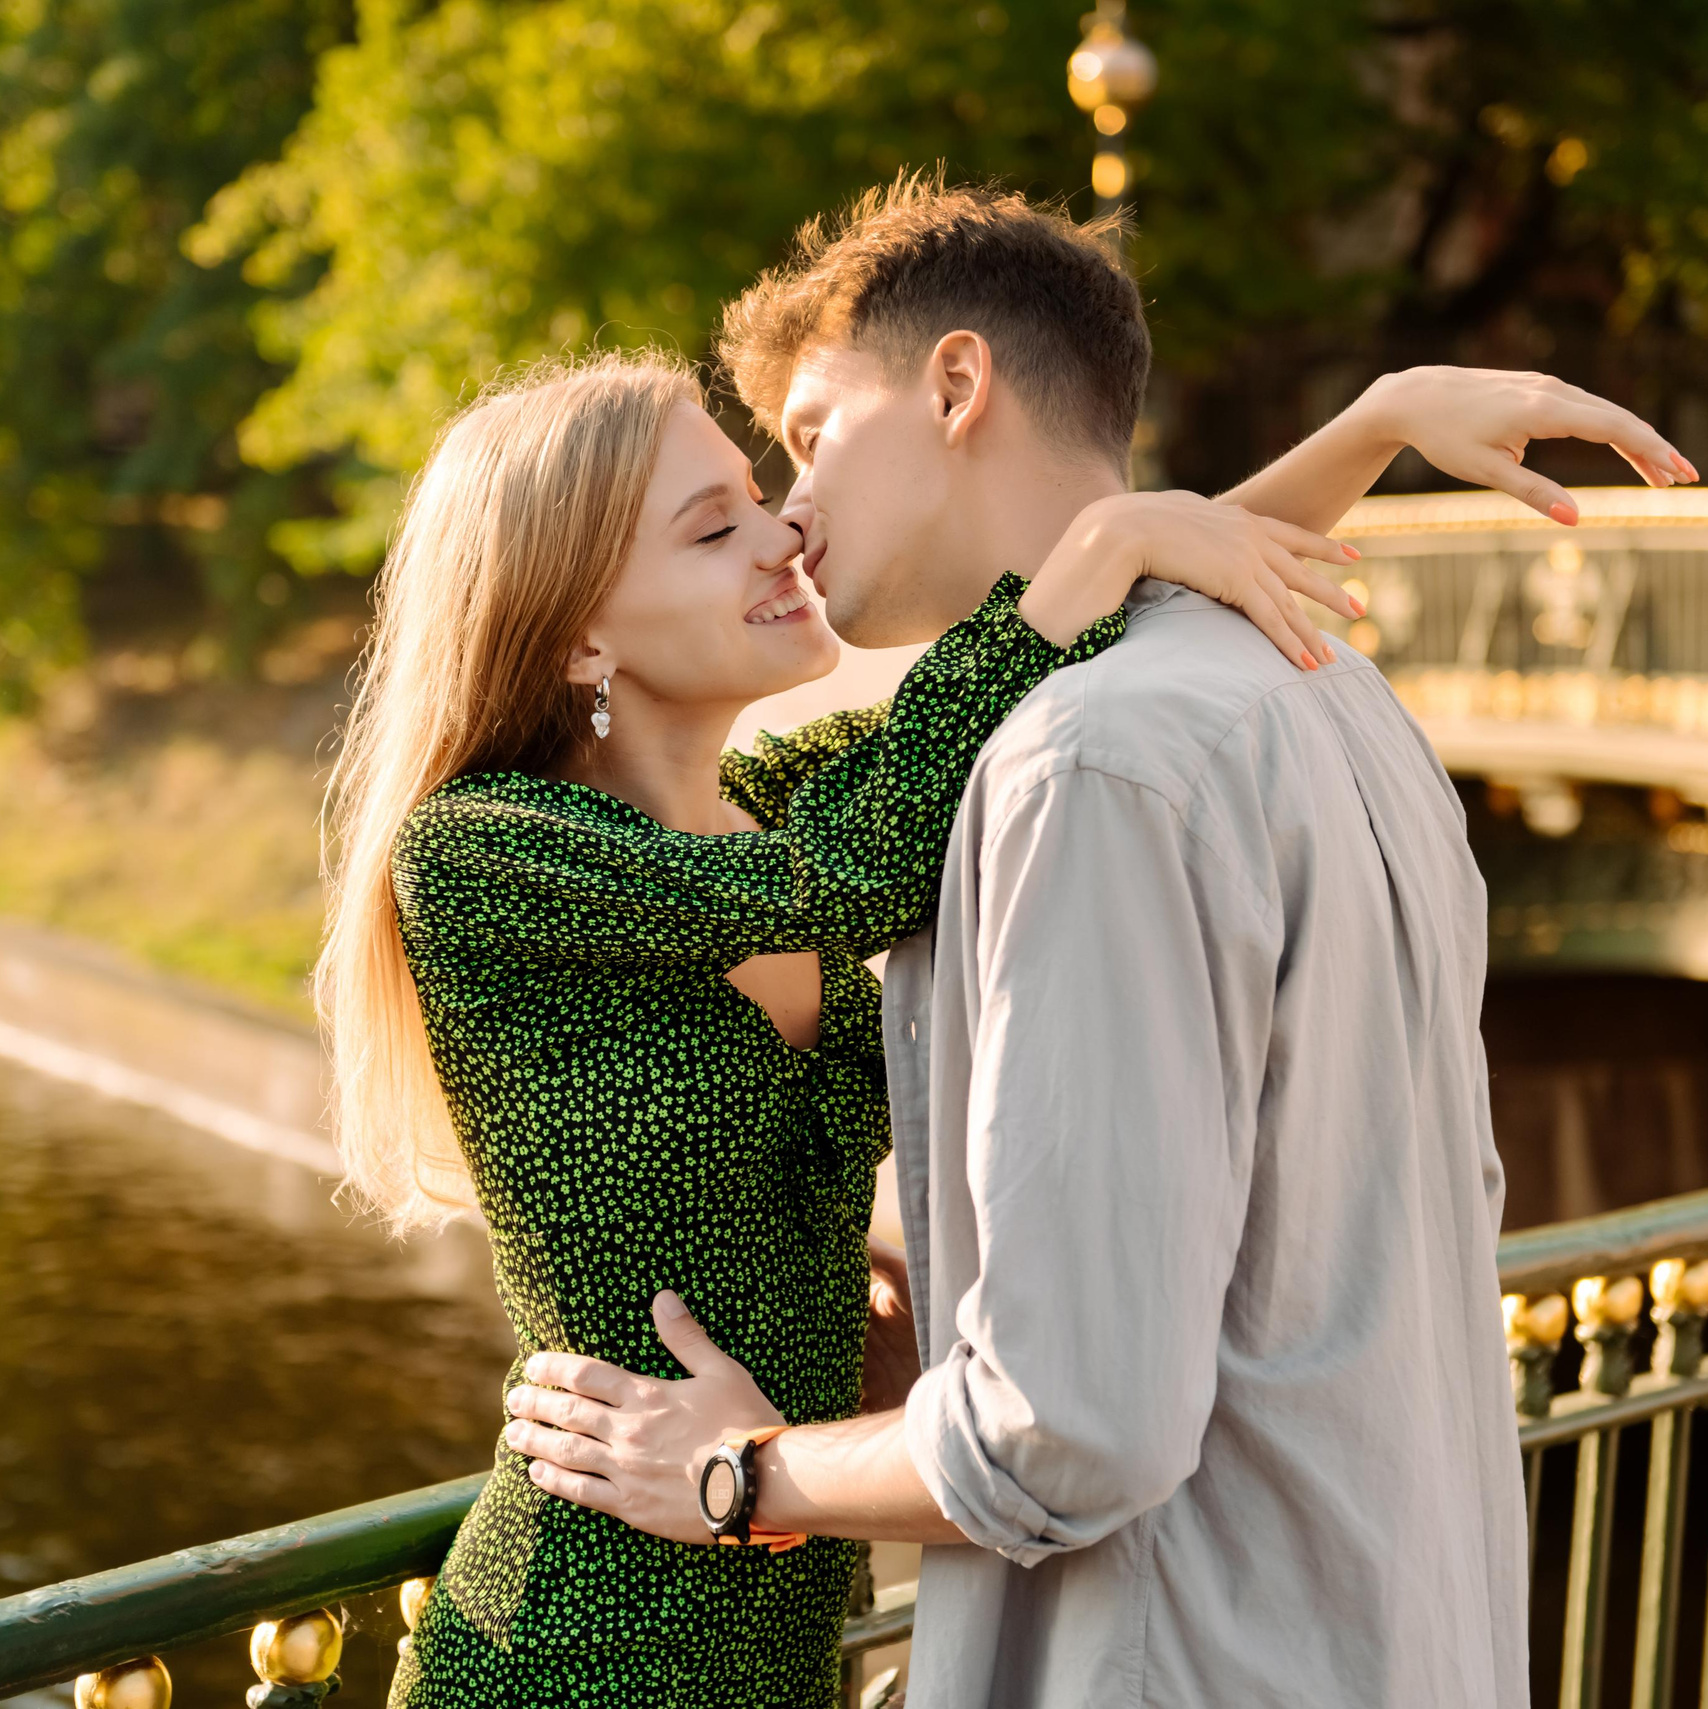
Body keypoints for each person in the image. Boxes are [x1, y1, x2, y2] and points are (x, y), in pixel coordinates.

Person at [503, 179, 1698, 1707]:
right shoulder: (1331, 691)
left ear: (954, 384)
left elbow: (1070, 1423)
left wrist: (742, 1471)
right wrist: (1377, 418)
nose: (790, 511)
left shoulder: (1079, 771)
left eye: (810, 436)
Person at [317, 344, 1364, 1708]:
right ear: (580, 634)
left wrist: (1380, 423)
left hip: (779, 1602)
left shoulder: (771, 802)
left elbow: (1094, 636)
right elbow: (861, 862)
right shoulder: (487, 853)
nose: (783, 536)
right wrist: (1110, 531)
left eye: (761, 497)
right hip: (569, 1645)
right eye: (717, 527)